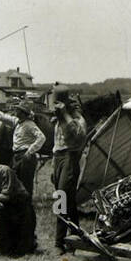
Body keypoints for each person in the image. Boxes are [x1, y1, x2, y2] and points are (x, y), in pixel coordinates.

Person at [48, 89, 87, 252]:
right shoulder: (57, 120)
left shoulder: (77, 119)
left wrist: (65, 114)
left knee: (61, 198)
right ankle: (76, 236)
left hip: (70, 158)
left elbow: (77, 137)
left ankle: (59, 242)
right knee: (68, 200)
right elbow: (56, 145)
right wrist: (52, 166)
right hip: (58, 159)